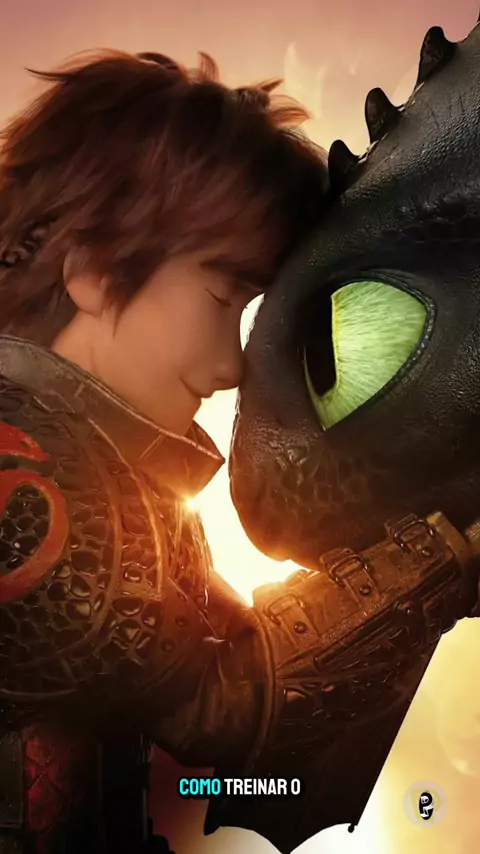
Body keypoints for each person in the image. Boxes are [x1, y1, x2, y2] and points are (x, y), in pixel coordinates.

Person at [0, 48, 330, 853]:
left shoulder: (129, 492)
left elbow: (234, 666)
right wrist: (446, 556)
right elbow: (228, 710)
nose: (232, 367)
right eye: (222, 298)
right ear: (92, 268)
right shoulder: (30, 485)